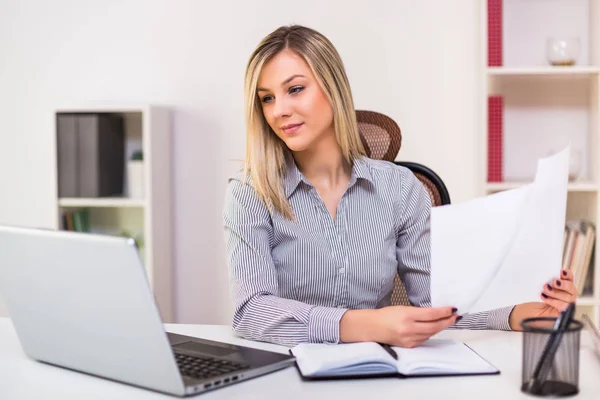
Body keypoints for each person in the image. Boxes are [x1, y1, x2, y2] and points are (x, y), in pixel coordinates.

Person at [222, 24, 577, 348]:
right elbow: (251, 310)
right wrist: (365, 325)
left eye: (295, 89)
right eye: (266, 98)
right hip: (288, 372)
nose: (279, 110)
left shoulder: (399, 188)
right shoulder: (250, 193)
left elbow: (436, 303)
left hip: (381, 374)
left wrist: (520, 313)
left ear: (333, 88)